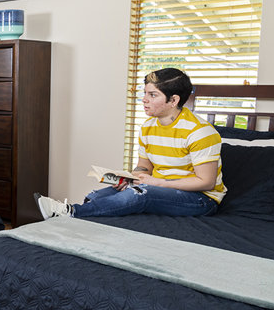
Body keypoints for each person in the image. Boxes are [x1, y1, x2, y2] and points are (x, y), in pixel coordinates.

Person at [36, 67, 226, 219]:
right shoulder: (148, 127)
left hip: (201, 200)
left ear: (173, 100)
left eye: (152, 95)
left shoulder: (200, 132)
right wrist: (130, 178)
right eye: (145, 93)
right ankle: (79, 214)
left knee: (142, 194)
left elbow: (206, 182)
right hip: (157, 186)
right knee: (96, 197)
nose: (144, 100)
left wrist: (158, 184)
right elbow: (144, 166)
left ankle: (70, 212)